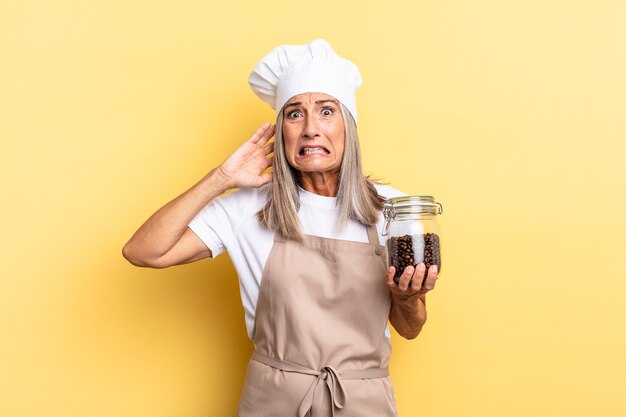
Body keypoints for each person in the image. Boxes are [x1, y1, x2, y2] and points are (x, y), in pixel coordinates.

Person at [123, 39, 439, 417]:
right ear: (282, 132)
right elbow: (143, 251)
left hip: (364, 404)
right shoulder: (247, 208)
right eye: (294, 114)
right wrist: (220, 179)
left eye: (326, 111)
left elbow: (410, 328)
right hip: (273, 403)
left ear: (348, 128)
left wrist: (406, 298)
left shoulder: (390, 209)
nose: (310, 129)